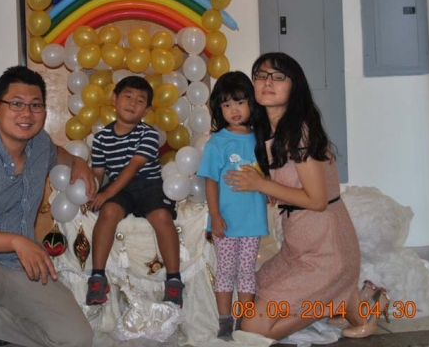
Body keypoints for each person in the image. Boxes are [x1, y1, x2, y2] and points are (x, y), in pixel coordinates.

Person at [226, 53, 381, 340]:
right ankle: (348, 301)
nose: (267, 82)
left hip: (327, 250)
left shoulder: (298, 133)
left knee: (252, 328)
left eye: (278, 77)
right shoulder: (270, 129)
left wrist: (262, 185)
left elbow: (317, 200)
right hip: (299, 246)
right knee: (246, 298)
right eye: (261, 76)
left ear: (293, 87)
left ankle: (340, 300)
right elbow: (291, 183)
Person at [0, 65, 96, 347]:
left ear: (44, 112)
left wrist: (78, 162)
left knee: (78, 338)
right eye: (16, 104)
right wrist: (17, 241)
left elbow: (58, 153)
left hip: (22, 268)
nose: (26, 113)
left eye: (35, 105)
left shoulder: (39, 144)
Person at [85, 76, 184, 307]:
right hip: (120, 189)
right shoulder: (101, 138)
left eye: (140, 101)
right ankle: (97, 277)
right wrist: (92, 190)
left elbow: (133, 168)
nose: (132, 103)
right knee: (108, 213)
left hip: (148, 185)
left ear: (146, 110)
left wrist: (106, 193)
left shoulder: (149, 134)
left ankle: (174, 280)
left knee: (161, 216)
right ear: (114, 99)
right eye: (127, 97)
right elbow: (98, 172)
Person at [197, 71, 268, 337]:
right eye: (226, 105)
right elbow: (211, 181)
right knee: (226, 270)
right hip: (225, 221)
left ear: (251, 102)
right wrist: (214, 214)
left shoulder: (261, 138)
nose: (234, 110)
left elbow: (267, 174)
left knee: (247, 271)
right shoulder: (218, 142)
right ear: (219, 109)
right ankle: (225, 320)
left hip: (253, 220)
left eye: (239, 102)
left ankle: (245, 320)